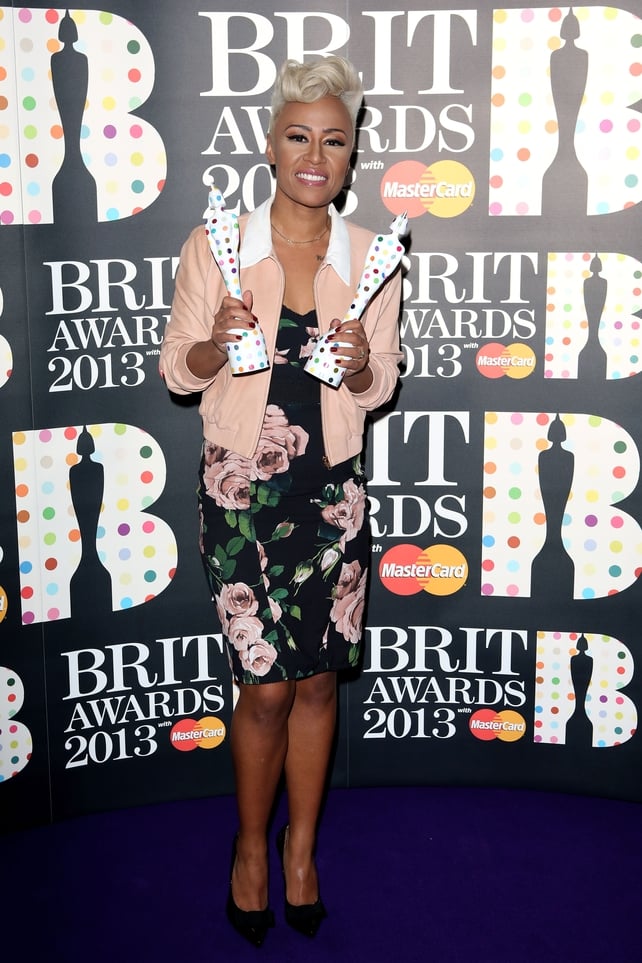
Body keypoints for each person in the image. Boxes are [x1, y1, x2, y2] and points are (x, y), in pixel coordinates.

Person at [160, 56, 403, 946]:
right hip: (242, 495)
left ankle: (301, 851)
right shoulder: (215, 246)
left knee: (316, 686)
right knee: (263, 689)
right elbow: (176, 371)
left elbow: (380, 385)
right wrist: (215, 346)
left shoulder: (373, 259)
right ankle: (250, 850)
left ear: (349, 157)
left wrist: (366, 361)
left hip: (331, 494)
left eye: (334, 140)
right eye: (299, 135)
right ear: (271, 144)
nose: (316, 154)